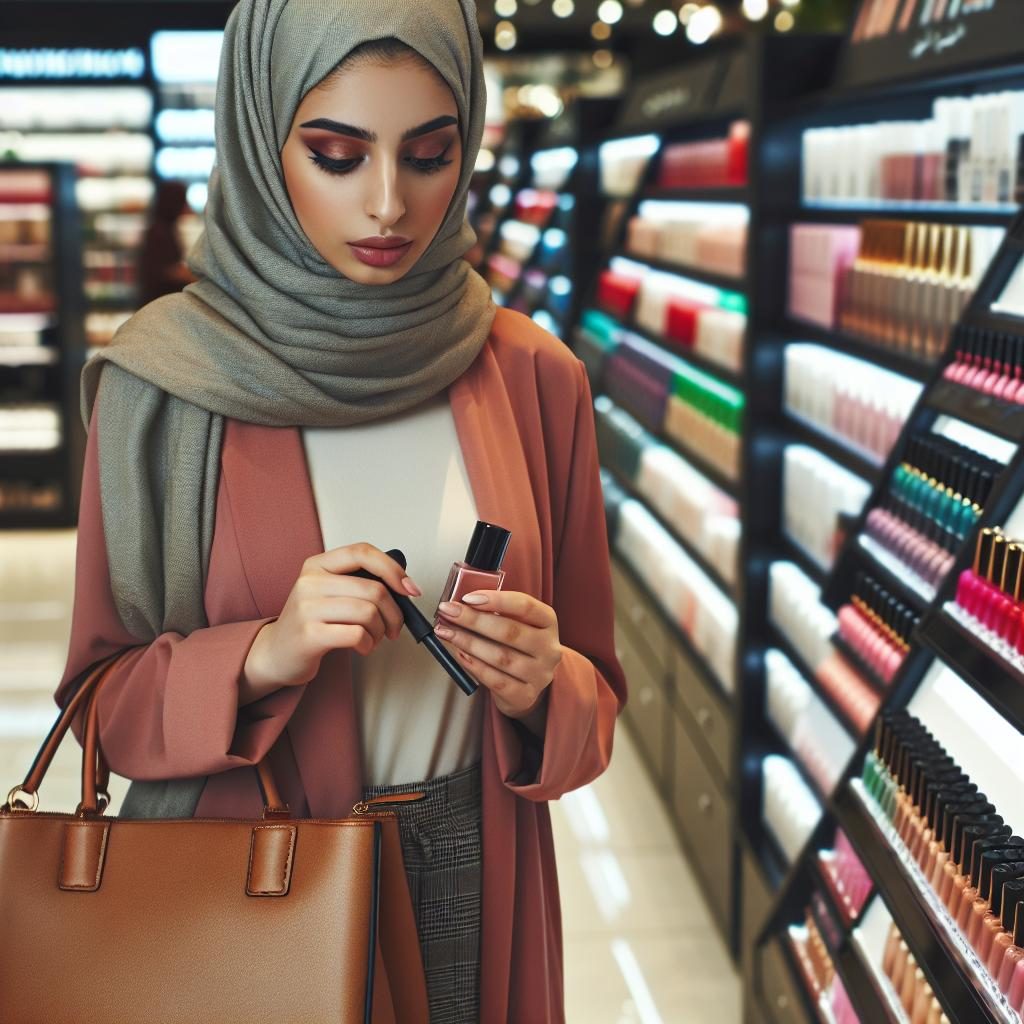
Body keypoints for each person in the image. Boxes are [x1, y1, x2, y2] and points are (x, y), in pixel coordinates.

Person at [56, 1, 626, 1021]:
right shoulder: (163, 383)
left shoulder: (533, 376)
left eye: (428, 154)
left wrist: (546, 686)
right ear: (261, 137)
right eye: (335, 153)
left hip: (472, 870)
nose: (387, 206)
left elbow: (596, 703)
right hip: (243, 879)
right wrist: (261, 654)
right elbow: (102, 705)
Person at [136, 179, 196, 305]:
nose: (186, 205)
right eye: (183, 200)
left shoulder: (162, 228)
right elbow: (166, 270)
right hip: (159, 303)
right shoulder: (160, 232)